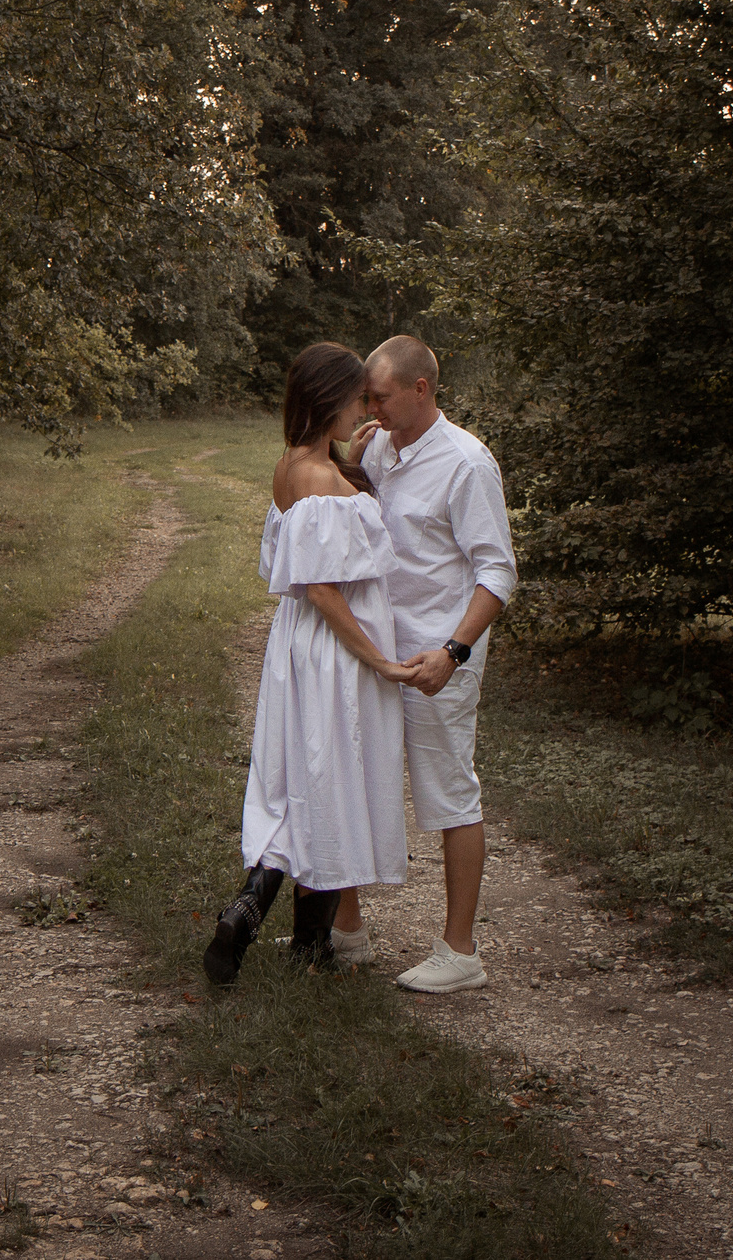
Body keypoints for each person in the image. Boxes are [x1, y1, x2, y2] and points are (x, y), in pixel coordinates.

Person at [204, 342, 417, 984]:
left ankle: (275, 923)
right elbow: (323, 587)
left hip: (295, 646)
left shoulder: (294, 465)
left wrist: (349, 454)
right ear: (330, 400)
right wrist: (380, 661)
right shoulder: (323, 482)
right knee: (332, 781)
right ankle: (291, 932)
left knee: (302, 779)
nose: (362, 409)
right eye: (356, 399)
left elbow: (294, 564)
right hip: (332, 654)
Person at [355, 335, 516, 995]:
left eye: (382, 396)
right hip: (378, 651)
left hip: (439, 654)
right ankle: (344, 933)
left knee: (449, 792)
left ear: (421, 389)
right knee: (357, 779)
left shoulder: (467, 463)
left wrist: (453, 652)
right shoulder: (377, 446)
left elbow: (498, 571)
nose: (373, 406)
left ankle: (460, 951)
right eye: (368, 397)